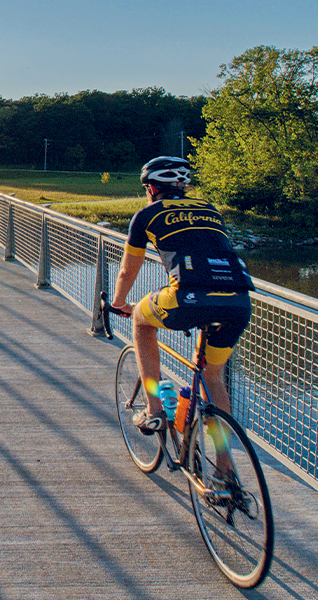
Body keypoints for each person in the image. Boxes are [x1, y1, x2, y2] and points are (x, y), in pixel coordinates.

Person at [108, 156, 253, 436]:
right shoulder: (210, 211)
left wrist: (119, 302)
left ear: (150, 188)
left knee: (140, 320)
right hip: (237, 300)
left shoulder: (147, 215)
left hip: (188, 297)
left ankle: (153, 412)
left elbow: (127, 270)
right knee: (212, 375)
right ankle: (225, 470)